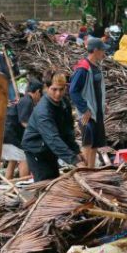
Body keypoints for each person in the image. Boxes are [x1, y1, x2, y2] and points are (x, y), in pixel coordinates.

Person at [22, 73, 79, 180]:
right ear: (47, 88)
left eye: (61, 89)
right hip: (36, 149)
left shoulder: (64, 103)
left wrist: (76, 151)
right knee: (44, 183)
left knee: (54, 179)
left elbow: (68, 131)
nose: (58, 93)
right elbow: (52, 138)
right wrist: (74, 160)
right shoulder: (43, 110)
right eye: (54, 89)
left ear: (65, 88)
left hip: (49, 148)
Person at [70, 38, 107, 168]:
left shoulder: (96, 67)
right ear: (96, 50)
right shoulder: (83, 68)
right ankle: (85, 173)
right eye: (103, 50)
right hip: (88, 114)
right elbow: (73, 91)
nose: (104, 53)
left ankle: (91, 171)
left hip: (97, 112)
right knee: (87, 143)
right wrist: (84, 109)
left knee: (95, 144)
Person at [2, 80, 42, 180]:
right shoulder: (27, 101)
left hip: (7, 135)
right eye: (41, 94)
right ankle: (24, 184)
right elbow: (24, 121)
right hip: (12, 136)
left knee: (12, 161)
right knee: (25, 158)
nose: (40, 98)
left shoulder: (24, 100)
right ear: (37, 92)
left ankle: (9, 185)